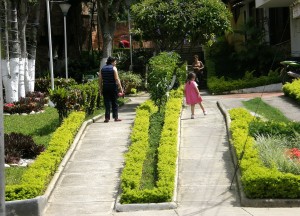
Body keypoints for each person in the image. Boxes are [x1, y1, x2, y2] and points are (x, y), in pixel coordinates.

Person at [99, 56, 124, 123]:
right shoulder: (114, 68)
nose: (115, 63)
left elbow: (100, 80)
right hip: (113, 87)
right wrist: (121, 89)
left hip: (105, 87)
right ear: (112, 62)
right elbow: (117, 79)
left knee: (107, 103)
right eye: (115, 62)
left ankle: (107, 118)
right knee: (114, 102)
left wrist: (100, 90)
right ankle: (115, 117)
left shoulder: (102, 69)